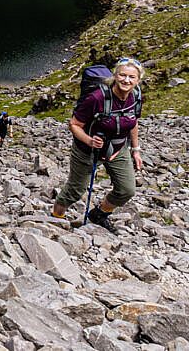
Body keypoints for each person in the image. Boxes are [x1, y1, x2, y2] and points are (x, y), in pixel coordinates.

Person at [51, 57, 145, 233]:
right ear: (115, 76)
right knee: (75, 190)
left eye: (132, 77)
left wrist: (136, 150)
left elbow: (134, 122)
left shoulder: (136, 96)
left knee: (126, 189)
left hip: (118, 149)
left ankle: (99, 214)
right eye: (122, 75)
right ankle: (56, 218)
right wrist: (89, 140)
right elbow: (74, 124)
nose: (126, 80)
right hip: (87, 150)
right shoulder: (97, 98)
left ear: (138, 80)